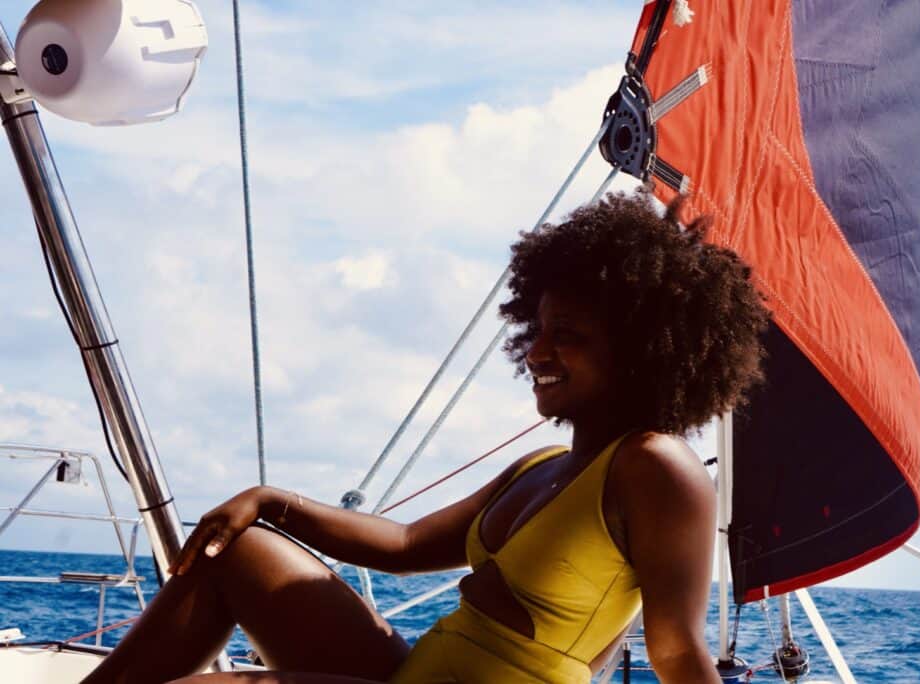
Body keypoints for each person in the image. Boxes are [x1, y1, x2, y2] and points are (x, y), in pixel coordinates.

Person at [82, 190, 770, 684]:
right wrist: (270, 502)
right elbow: (405, 547)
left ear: (644, 349)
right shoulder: (544, 465)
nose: (536, 353)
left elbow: (677, 653)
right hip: (418, 671)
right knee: (241, 552)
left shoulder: (658, 468)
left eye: (570, 335)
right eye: (537, 330)